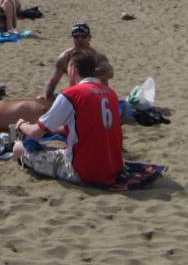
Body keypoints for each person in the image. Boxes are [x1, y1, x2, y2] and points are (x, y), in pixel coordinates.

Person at [13, 48, 124, 186]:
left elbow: (35, 132)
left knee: (19, 148)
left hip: (85, 172)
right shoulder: (111, 93)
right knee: (60, 148)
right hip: (114, 167)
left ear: (73, 70)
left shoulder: (72, 94)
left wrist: (21, 125)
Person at [44, 22, 113, 100]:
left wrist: (82, 73)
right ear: (72, 38)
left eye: (83, 36)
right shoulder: (65, 58)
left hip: (99, 95)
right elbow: (52, 82)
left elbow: (110, 73)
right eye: (76, 37)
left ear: (89, 37)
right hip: (77, 95)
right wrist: (48, 97)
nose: (80, 39)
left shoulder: (98, 57)